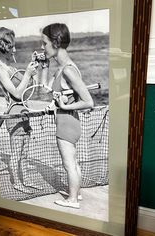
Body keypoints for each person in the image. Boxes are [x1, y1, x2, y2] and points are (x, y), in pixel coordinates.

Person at [39, 23, 94, 208]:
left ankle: (71, 200)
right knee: (73, 162)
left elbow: (88, 102)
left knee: (69, 164)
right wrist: (44, 65)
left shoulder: (68, 70)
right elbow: (44, 89)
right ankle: (76, 194)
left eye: (44, 43)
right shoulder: (63, 68)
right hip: (70, 122)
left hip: (66, 124)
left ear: (55, 43)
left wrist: (62, 105)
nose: (42, 47)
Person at [0, 27, 39, 194]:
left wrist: (33, 67)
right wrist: (27, 73)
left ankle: (26, 181)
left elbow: (31, 88)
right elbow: (17, 93)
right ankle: (17, 183)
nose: (15, 49)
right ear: (5, 47)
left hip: (25, 113)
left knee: (25, 152)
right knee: (16, 153)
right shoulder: (0, 68)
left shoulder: (11, 67)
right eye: (12, 46)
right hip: (14, 115)